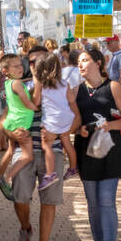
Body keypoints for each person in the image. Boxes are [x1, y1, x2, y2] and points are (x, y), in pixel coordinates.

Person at [5, 47, 66, 241]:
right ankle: (25, 227)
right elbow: (3, 120)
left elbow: (74, 116)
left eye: (41, 61)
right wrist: (11, 133)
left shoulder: (62, 88)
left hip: (53, 150)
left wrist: (60, 130)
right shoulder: (21, 86)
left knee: (49, 200)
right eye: (31, 61)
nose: (36, 65)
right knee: (20, 197)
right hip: (25, 149)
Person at [75, 48, 121, 241]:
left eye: (85, 61)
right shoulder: (77, 90)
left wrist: (110, 125)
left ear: (98, 63)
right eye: (79, 61)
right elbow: (74, 119)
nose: (81, 65)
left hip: (110, 150)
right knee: (92, 201)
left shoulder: (113, 86)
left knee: (106, 200)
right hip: (87, 150)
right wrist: (77, 129)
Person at [33, 51, 80, 186]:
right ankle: (73, 167)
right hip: (66, 118)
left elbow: (36, 102)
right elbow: (71, 101)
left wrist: (36, 85)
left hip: (51, 121)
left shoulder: (41, 85)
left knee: (46, 145)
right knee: (67, 142)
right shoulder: (65, 84)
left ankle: (50, 174)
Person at [0, 53, 37, 196]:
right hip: (21, 124)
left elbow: (20, 84)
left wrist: (32, 79)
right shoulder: (17, 84)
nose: (20, 68)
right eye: (15, 66)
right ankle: (7, 178)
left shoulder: (9, 82)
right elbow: (26, 101)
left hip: (12, 121)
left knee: (11, 150)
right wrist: (36, 107)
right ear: (5, 71)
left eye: (20, 65)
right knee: (28, 155)